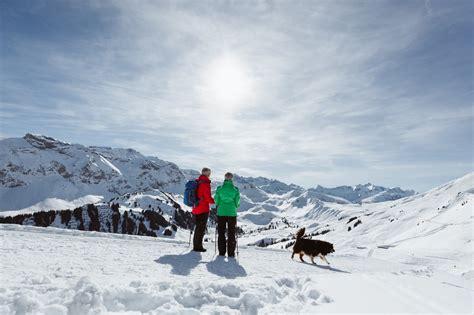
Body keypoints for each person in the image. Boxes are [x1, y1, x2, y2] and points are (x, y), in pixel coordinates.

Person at [214, 172, 240, 257]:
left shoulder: (219, 189)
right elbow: (237, 202)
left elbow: (216, 201)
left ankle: (221, 252)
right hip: (232, 213)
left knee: (221, 232)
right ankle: (231, 253)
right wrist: (234, 206)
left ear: (224, 178)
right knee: (231, 232)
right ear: (231, 179)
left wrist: (220, 205)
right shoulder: (235, 189)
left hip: (221, 212)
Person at [192, 167, 216, 252]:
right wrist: (214, 201)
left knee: (198, 228)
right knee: (201, 229)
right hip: (203, 209)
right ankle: (198, 247)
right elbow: (207, 197)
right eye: (209, 173)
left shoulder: (197, 181)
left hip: (195, 208)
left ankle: (196, 245)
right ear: (208, 174)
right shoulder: (205, 183)